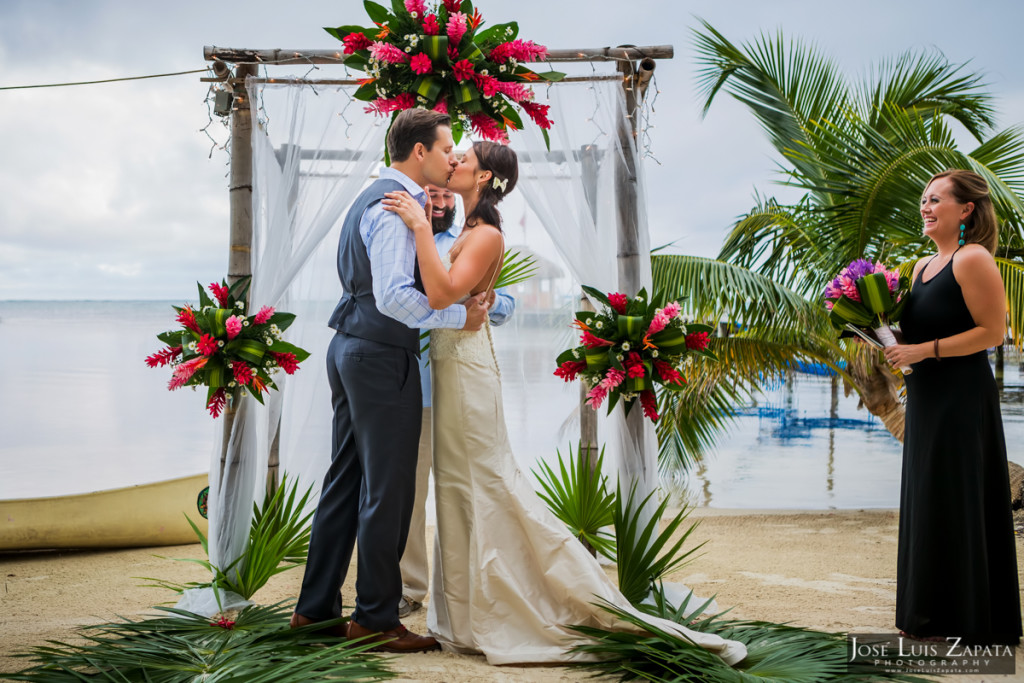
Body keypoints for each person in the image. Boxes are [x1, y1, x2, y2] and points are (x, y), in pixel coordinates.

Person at [381, 141, 746, 665]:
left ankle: (553, 599)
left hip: (466, 372)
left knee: (489, 484)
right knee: (457, 491)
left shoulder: (484, 235)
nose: (452, 162)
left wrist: (418, 227)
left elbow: (440, 298)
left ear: (484, 179)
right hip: (449, 366)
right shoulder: (461, 230)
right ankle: (465, 615)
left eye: (462, 160)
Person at [289, 109, 490, 653]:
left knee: (346, 481)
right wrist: (460, 318)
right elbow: (396, 298)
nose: (453, 157)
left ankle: (315, 611)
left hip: (351, 348)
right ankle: (375, 618)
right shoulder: (394, 206)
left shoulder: (378, 196)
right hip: (379, 355)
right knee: (389, 492)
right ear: (419, 152)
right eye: (447, 148)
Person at [883, 169, 1021, 645]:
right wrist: (884, 336)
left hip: (961, 398)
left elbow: (991, 333)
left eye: (935, 199)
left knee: (957, 496)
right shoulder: (920, 265)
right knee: (927, 496)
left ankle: (966, 619)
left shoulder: (973, 258)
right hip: (925, 397)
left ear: (965, 210)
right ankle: (925, 614)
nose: (925, 206)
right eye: (923, 198)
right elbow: (919, 333)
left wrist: (922, 352)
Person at [398, 184, 515, 618]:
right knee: (410, 494)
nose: (442, 202)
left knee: (463, 490)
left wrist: (488, 301)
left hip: (459, 386)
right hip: (416, 389)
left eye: (448, 195)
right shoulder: (402, 239)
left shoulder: (472, 237)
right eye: (432, 193)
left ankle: (463, 587)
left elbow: (505, 306)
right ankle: (410, 588)